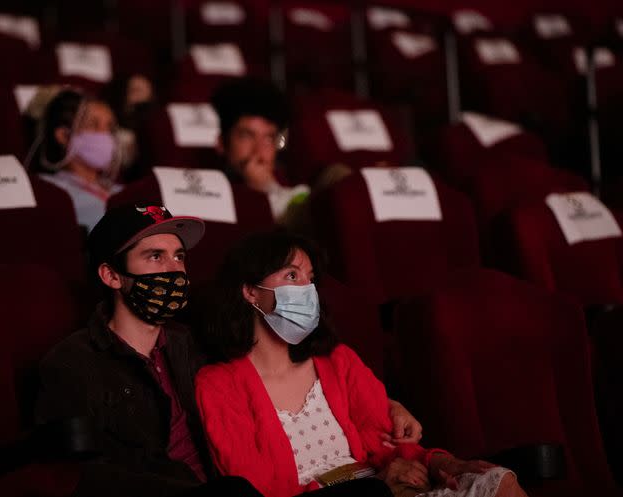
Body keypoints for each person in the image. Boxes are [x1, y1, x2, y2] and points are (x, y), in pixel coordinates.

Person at [35, 205, 422, 497]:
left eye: (179, 256)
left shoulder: (195, 343)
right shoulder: (73, 363)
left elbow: (268, 377)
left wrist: (389, 405)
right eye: (155, 257)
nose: (173, 270)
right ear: (112, 275)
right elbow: (72, 476)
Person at [195, 230, 528, 497]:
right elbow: (256, 491)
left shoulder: (338, 361)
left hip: (386, 488)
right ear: (251, 292)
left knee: (499, 481)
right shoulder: (217, 384)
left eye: (310, 278)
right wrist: (373, 486)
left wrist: (443, 461)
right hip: (364, 493)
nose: (307, 290)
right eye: (292, 275)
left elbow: (388, 447)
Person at [211, 78, 351, 231]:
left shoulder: (290, 186)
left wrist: (269, 188)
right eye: (247, 135)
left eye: (269, 138)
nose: (259, 150)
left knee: (339, 175)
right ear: (221, 143)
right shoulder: (214, 193)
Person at [27, 87, 123, 231]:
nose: (105, 135)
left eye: (109, 127)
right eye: (93, 125)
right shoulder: (49, 191)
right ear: (64, 136)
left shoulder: (124, 191)